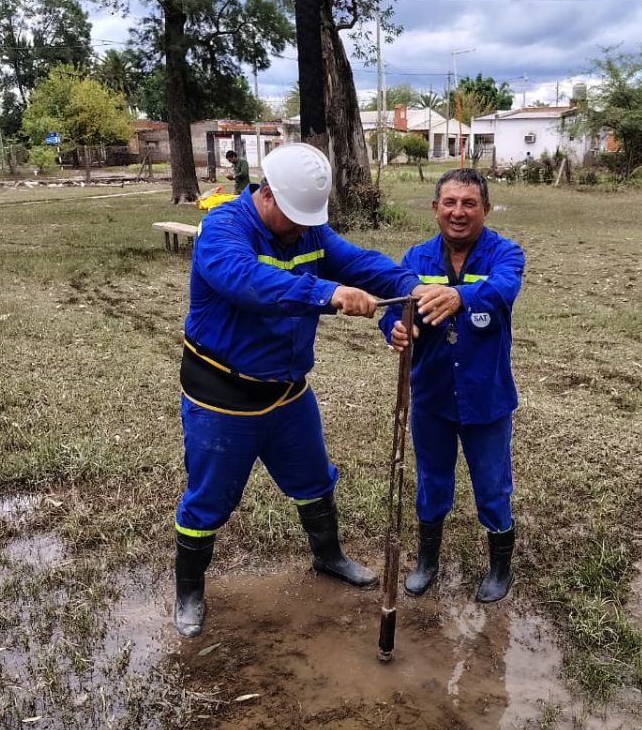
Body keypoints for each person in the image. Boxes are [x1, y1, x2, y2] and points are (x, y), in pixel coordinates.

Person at [173, 143, 452, 637]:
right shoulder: (222, 230)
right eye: (295, 217)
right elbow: (250, 283)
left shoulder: (311, 232)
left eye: (309, 220)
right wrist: (327, 293)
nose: (303, 228)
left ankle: (328, 555)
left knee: (314, 481)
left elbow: (359, 262)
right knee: (209, 500)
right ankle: (190, 593)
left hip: (288, 393)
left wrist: (413, 283)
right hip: (222, 396)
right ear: (266, 195)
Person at [380, 167, 524, 603]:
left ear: (485, 209)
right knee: (432, 480)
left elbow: (503, 290)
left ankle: (500, 567)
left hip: (487, 397)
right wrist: (395, 329)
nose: (458, 212)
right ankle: (427, 561)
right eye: (449, 203)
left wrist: (461, 297)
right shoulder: (416, 259)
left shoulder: (506, 254)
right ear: (435, 208)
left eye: (469, 203)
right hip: (432, 396)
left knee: (492, 484)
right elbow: (395, 310)